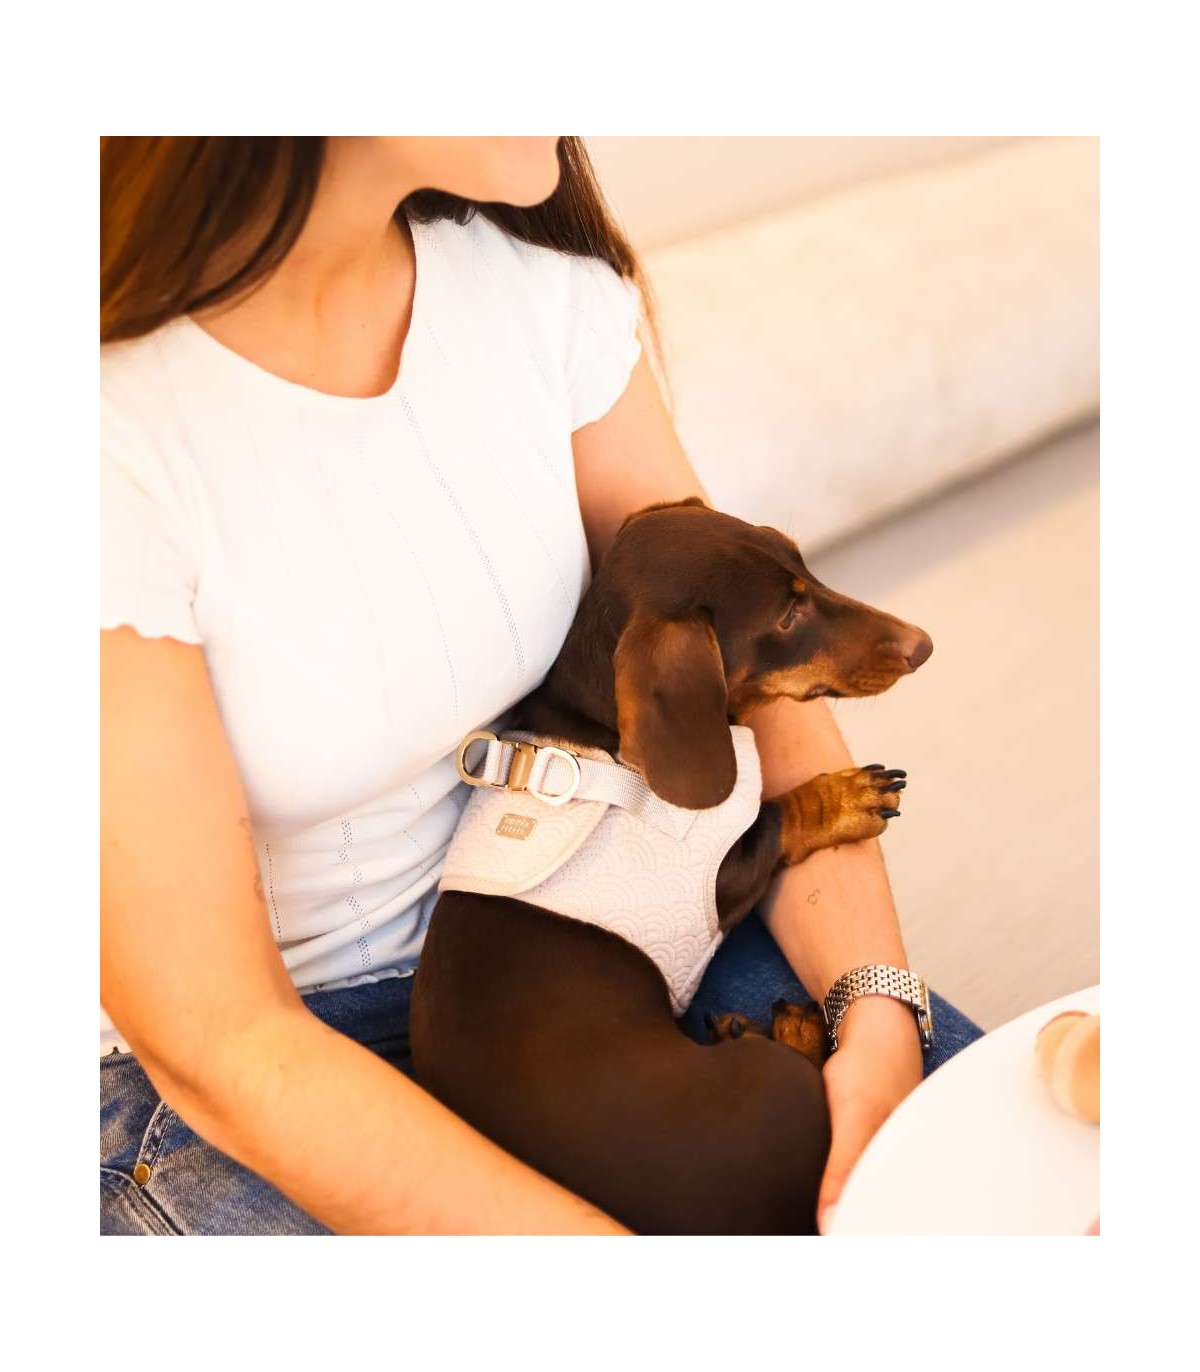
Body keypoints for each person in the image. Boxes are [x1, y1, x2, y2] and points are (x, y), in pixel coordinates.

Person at [100, 136, 982, 1237]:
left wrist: (877, 1009)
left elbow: (753, 679)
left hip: (584, 936)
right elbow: (219, 1042)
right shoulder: (108, 440)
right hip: (251, 1080)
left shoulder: (538, 293)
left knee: (1028, 1200)